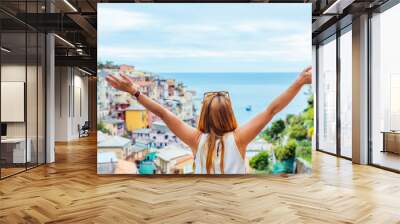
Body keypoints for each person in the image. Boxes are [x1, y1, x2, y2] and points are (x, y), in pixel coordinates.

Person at [105, 67, 312, 174]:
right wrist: (300, 81)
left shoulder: (196, 139)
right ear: (229, 113)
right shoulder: (239, 139)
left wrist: (134, 91)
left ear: (203, 115)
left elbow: (163, 114)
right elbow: (271, 110)